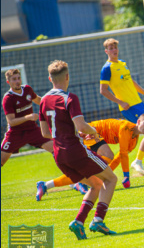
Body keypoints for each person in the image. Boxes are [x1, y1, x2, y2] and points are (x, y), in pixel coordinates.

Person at [39, 60, 118, 239]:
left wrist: (71, 133)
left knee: (96, 184)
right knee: (111, 179)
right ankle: (98, 220)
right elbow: (82, 126)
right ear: (67, 76)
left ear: (50, 78)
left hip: (59, 155)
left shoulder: (43, 100)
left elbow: (45, 132)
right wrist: (94, 132)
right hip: (75, 151)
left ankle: (79, 222)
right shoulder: (69, 97)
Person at [35, 113, 144, 200]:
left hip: (96, 138)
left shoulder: (134, 140)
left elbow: (119, 157)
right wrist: (126, 176)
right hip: (90, 131)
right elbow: (123, 153)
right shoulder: (126, 128)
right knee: (107, 156)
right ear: (138, 122)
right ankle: (79, 182)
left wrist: (106, 176)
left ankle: (46, 185)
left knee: (86, 171)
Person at [99, 38, 144, 174]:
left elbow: (131, 82)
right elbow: (103, 90)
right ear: (106, 51)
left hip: (139, 103)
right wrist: (120, 102)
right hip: (129, 107)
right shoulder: (106, 68)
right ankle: (138, 161)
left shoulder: (123, 64)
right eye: (111, 48)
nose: (114, 50)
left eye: (115, 47)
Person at [1, 69, 54, 168]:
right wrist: (28, 117)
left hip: (32, 130)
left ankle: (73, 181)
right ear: (8, 82)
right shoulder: (8, 98)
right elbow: (11, 122)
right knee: (1, 161)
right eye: (14, 79)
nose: (17, 81)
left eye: (18, 78)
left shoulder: (27, 89)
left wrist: (52, 104)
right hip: (15, 133)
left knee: (57, 150)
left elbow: (38, 100)